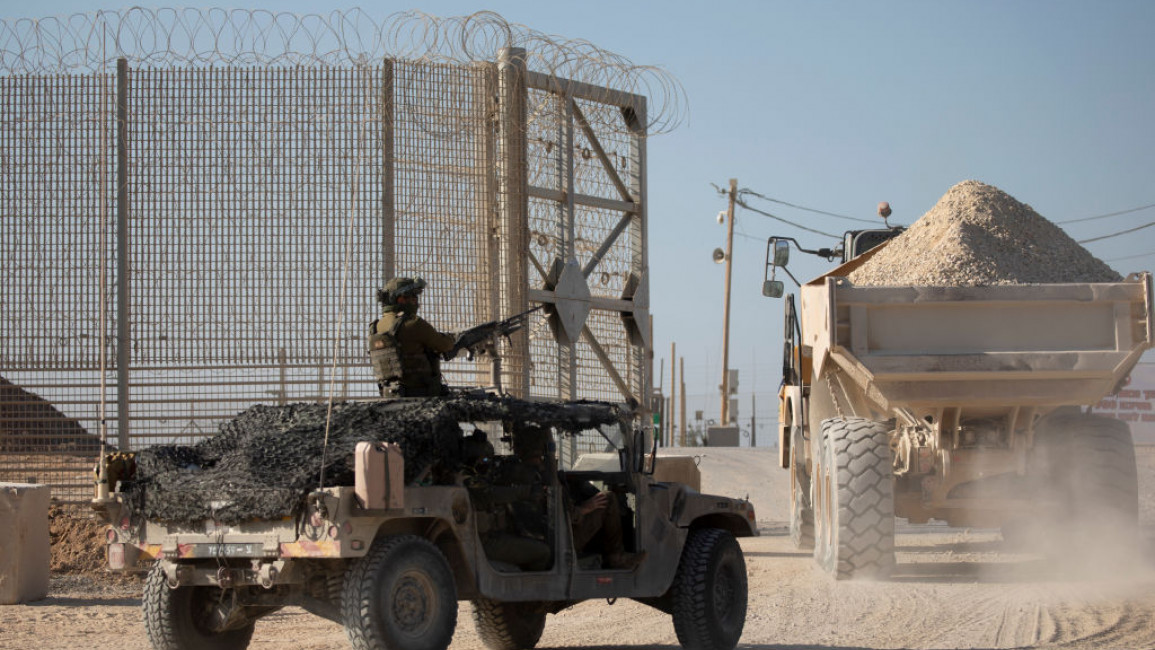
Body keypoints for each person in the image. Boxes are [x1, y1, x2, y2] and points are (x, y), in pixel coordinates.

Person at [367, 277, 456, 397]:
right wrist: (452, 338)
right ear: (401, 299)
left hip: (390, 395)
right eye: (413, 297)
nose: (416, 301)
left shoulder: (375, 327)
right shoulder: (414, 323)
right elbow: (445, 345)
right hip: (422, 395)